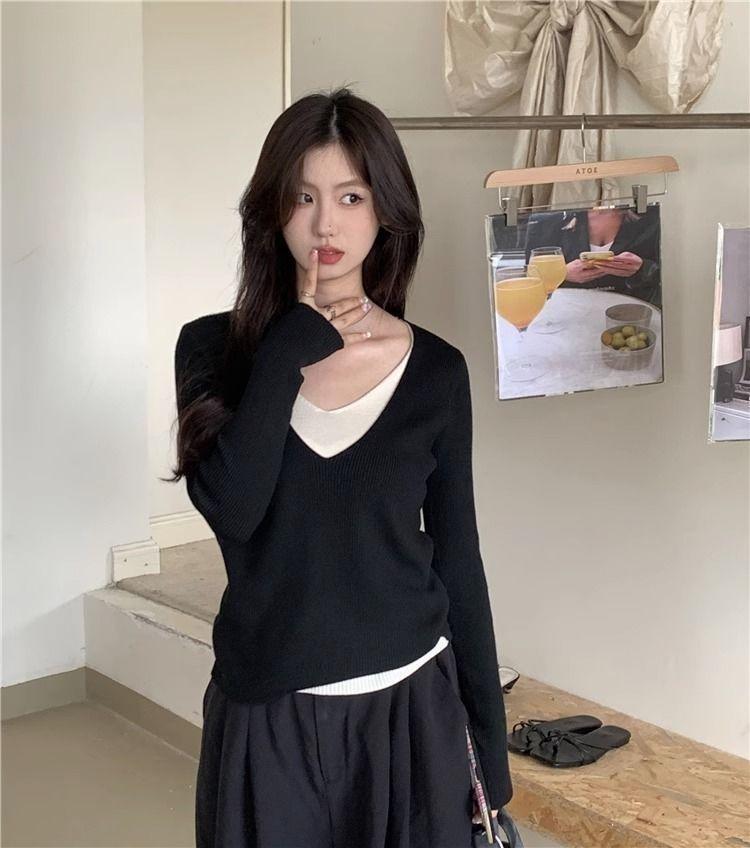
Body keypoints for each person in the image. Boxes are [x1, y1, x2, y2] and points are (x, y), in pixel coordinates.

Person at [167, 86, 512, 847]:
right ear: (273, 209)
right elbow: (233, 510)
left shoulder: (435, 372)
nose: (326, 224)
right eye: (304, 196)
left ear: (384, 209)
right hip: (268, 714)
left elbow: (459, 559)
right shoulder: (210, 350)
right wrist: (284, 351)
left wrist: (490, 746)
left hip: (411, 709)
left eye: (351, 196)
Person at [523, 205, 662, 307]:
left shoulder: (652, 216)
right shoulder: (547, 220)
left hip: (631, 315)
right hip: (567, 314)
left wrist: (643, 269)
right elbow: (530, 279)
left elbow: (667, 279)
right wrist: (563, 274)